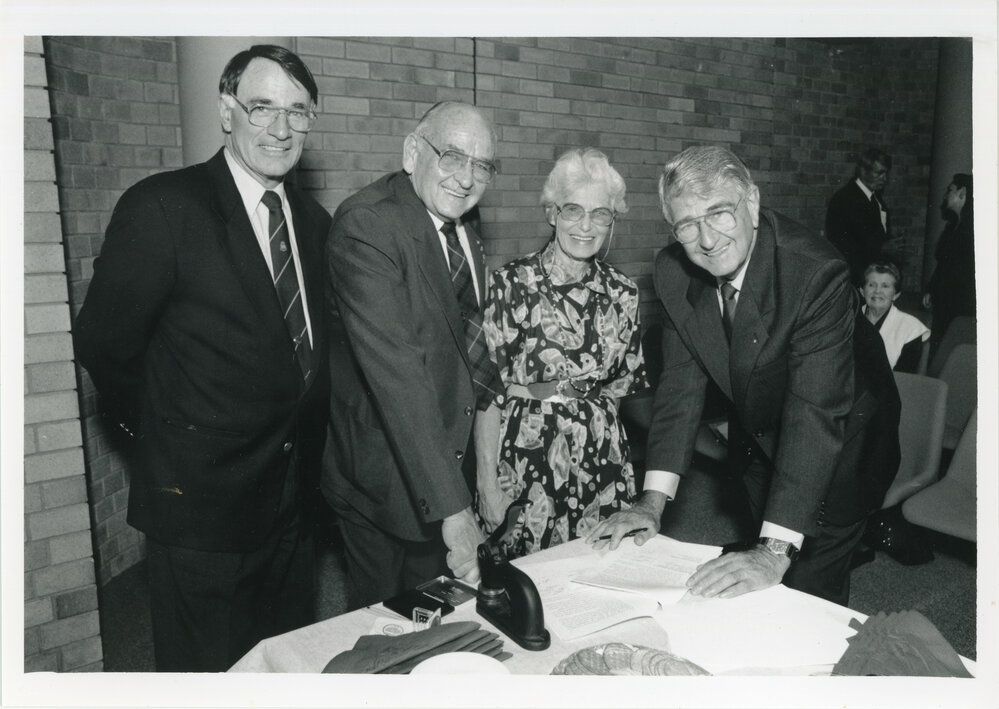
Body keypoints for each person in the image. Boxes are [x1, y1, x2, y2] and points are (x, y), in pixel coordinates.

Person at [73, 45, 330, 671]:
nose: (280, 128)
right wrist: (168, 433)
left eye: (298, 113)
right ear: (226, 110)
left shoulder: (315, 223)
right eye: (262, 106)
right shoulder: (164, 206)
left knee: (286, 666)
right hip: (199, 511)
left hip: (293, 509)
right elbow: (104, 343)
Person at [588, 146, 900, 606]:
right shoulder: (674, 271)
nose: (707, 239)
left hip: (844, 438)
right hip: (761, 431)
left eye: (719, 214)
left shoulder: (814, 273)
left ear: (751, 203)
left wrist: (775, 551)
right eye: (687, 224)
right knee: (754, 581)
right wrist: (650, 503)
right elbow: (679, 387)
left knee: (807, 588)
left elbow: (814, 413)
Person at [323, 101, 504, 608]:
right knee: (385, 636)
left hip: (445, 463)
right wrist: (454, 507)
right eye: (452, 156)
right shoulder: (368, 225)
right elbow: (399, 375)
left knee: (441, 622)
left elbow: (469, 352)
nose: (467, 179)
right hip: (384, 481)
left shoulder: (463, 223)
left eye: (482, 165)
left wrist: (484, 474)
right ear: (412, 152)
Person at [473, 148, 648, 553]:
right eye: (573, 210)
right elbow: (486, 393)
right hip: (525, 455)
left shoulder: (624, 292)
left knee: (596, 576)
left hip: (601, 458)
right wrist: (486, 480)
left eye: (601, 213)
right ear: (552, 214)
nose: (586, 226)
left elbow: (618, 391)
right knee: (522, 579)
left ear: (612, 220)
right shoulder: (511, 284)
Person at [825, 148, 901, 286]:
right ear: (863, 171)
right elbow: (841, 245)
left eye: (886, 173)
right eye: (879, 173)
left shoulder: (875, 198)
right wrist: (881, 248)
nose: (885, 178)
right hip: (855, 279)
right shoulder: (845, 199)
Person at [923, 173, 975, 355]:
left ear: (963, 193)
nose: (945, 195)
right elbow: (944, 265)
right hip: (946, 302)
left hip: (959, 305)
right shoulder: (953, 226)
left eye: (950, 190)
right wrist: (932, 289)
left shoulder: (972, 230)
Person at [861, 261, 930, 373]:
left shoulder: (911, 328)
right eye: (871, 285)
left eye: (885, 286)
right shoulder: (847, 319)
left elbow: (905, 379)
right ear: (862, 291)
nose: (877, 291)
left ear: (895, 295)